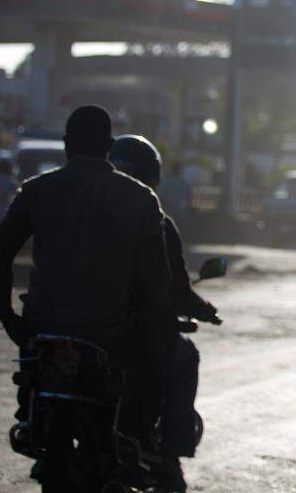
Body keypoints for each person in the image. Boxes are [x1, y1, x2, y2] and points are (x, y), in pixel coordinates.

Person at [0, 106, 174, 446]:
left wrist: (7, 316)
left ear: (65, 144)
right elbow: (157, 282)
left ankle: (29, 417)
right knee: (156, 363)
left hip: (43, 327)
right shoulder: (141, 199)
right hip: (109, 332)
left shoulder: (36, 190)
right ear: (109, 145)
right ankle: (143, 436)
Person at [109, 134, 221, 491]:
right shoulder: (157, 221)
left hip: (87, 328)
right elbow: (176, 290)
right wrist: (204, 310)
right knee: (185, 356)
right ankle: (170, 451)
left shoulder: (87, 212)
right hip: (136, 334)